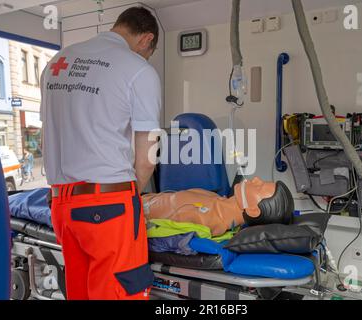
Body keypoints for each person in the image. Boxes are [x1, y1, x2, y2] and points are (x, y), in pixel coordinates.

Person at [40, 7, 161, 300]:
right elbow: (147, 157)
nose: (145, 57)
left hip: (61, 206)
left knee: (79, 292)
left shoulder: (58, 61)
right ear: (146, 39)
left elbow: (47, 136)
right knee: (121, 292)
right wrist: (133, 196)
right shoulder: (138, 69)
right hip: (109, 207)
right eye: (148, 51)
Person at [143, 177, 295, 236]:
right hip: (140, 197)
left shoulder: (209, 222)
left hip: (130, 210)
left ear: (253, 210)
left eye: (259, 186)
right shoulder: (216, 200)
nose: (255, 179)